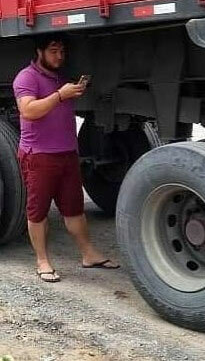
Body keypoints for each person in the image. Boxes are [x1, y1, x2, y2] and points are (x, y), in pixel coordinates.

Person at [12, 33, 119, 282]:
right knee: (37, 212)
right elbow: (28, 110)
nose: (59, 56)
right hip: (39, 156)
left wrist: (68, 92)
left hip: (67, 154)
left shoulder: (59, 78)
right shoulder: (26, 78)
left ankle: (88, 253)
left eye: (62, 51)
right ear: (39, 51)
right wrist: (60, 95)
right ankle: (42, 261)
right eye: (53, 51)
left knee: (74, 209)